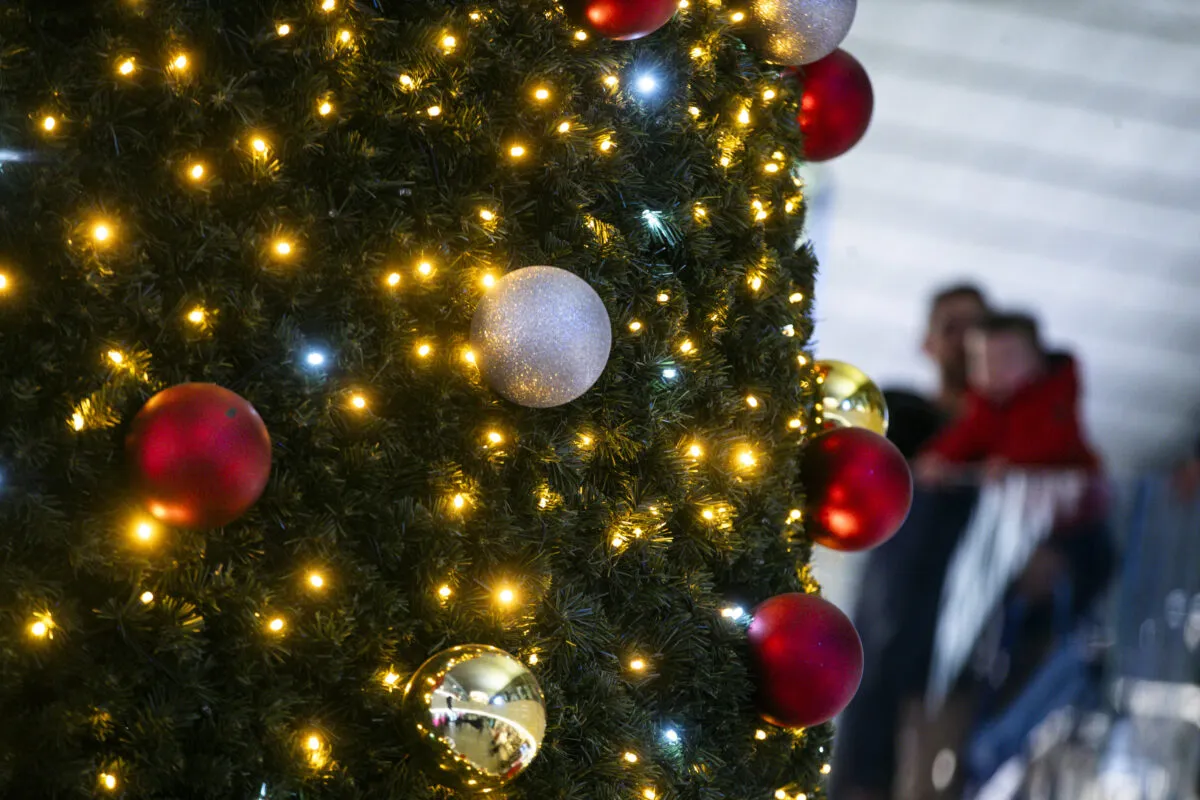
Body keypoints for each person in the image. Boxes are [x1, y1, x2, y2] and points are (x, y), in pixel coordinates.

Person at [830, 284, 989, 800]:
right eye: (951, 327)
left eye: (974, 328)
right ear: (929, 342)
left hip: (967, 631)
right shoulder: (900, 414)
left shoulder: (1012, 435)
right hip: (893, 616)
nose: (963, 341)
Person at [914, 311, 1100, 483]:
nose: (993, 369)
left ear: (1038, 361)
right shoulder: (983, 404)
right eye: (981, 360)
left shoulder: (1055, 399)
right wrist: (939, 459)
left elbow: (1054, 445)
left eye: (1006, 358)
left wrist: (1009, 463)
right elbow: (965, 437)